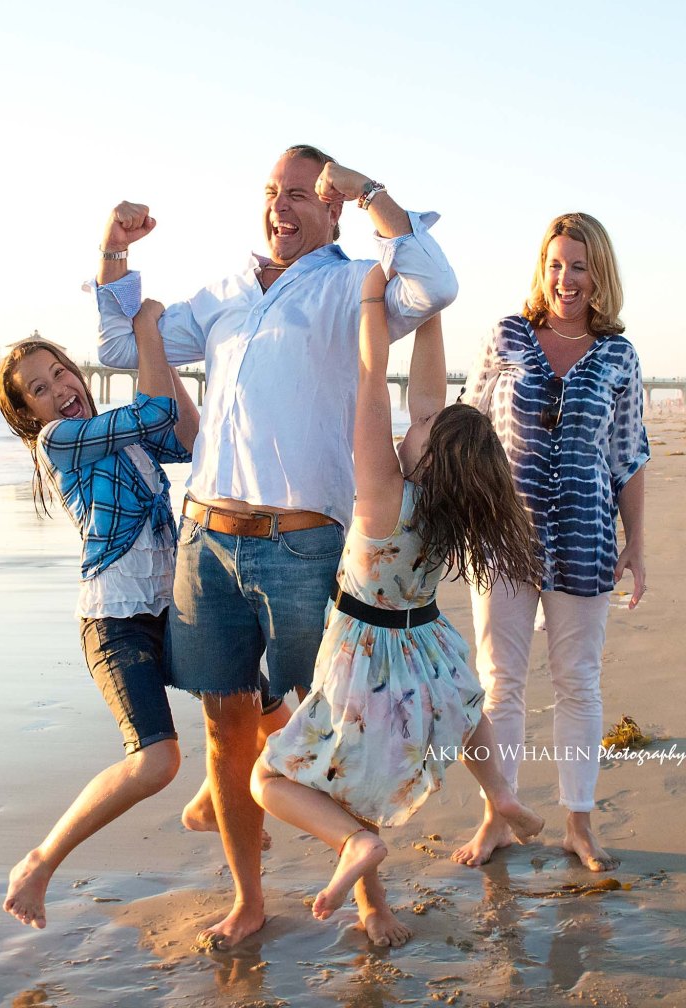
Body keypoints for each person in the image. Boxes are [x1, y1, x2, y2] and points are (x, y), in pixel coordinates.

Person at [93, 144, 459, 948]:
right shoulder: (224, 291)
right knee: (226, 726)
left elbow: (436, 284)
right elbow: (123, 347)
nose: (281, 206)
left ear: (330, 210)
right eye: (272, 192)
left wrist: (374, 195)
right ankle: (248, 900)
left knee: (338, 722)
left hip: (305, 545)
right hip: (208, 539)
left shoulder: (351, 284)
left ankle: (370, 899)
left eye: (300, 194)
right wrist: (116, 256)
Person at [250, 268, 545, 947]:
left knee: (276, 781)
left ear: (426, 454)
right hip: (428, 654)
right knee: (465, 712)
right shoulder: (448, 507)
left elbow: (370, 383)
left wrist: (374, 307)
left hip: (365, 659)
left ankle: (355, 853)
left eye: (429, 425)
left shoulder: (382, 494)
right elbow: (427, 398)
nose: (422, 416)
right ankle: (500, 794)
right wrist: (432, 312)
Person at [454, 212, 649, 872]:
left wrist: (638, 545)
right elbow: (470, 430)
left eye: (581, 265)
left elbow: (628, 456)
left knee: (578, 684)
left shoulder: (619, 355)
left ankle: (579, 825)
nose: (566, 278)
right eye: (556, 264)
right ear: (543, 270)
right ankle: (499, 818)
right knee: (500, 683)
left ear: (600, 276)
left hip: (587, 539)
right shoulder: (507, 336)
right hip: (503, 540)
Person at [0, 302, 199, 928]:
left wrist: (159, 352)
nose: (60, 389)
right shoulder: (63, 442)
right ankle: (40, 862)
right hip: (115, 622)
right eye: (39, 388)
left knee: (256, 701)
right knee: (157, 761)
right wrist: (146, 335)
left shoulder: (118, 428)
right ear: (29, 415)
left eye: (60, 372)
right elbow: (158, 412)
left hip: (170, 604)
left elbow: (186, 434)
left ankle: (218, 802)